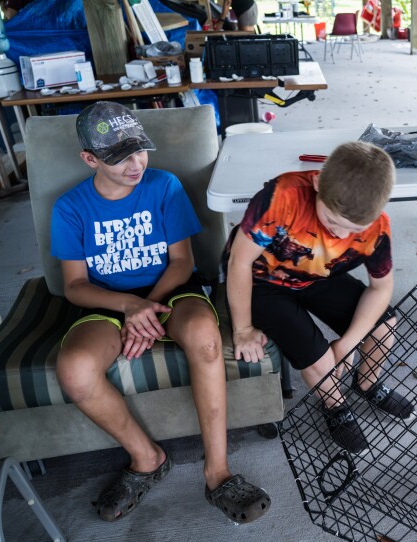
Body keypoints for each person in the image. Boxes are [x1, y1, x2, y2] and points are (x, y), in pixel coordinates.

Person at [51, 102, 270, 524]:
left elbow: (181, 263)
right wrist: (130, 307)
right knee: (74, 370)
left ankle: (218, 471)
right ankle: (146, 457)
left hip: (171, 291)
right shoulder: (71, 207)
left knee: (206, 336)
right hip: (108, 300)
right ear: (90, 159)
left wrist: (149, 309)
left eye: (140, 152)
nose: (136, 165)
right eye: (120, 158)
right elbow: (75, 286)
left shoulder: (163, 186)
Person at [225, 141, 415, 455]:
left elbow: (380, 288)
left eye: (354, 229)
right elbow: (239, 262)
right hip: (262, 281)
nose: (340, 235)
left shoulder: (378, 228)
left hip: (321, 273)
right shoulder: (281, 197)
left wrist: (348, 342)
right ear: (316, 184)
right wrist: (242, 330)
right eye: (332, 222)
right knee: (318, 357)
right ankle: (334, 406)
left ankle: (366, 384)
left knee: (384, 326)